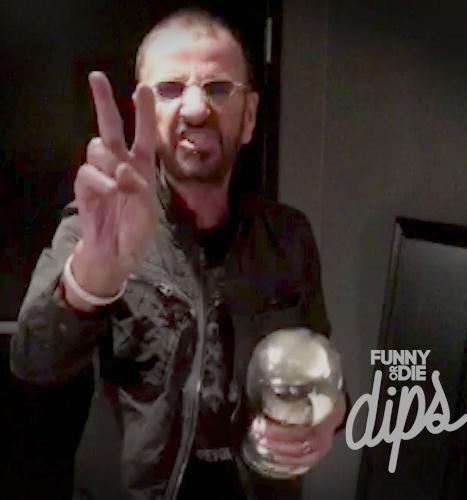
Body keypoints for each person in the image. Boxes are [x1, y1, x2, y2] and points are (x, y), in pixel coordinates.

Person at [10, 8, 346, 500]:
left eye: (218, 88)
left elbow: (321, 370)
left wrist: (329, 417)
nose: (194, 109)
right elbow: (32, 360)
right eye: (169, 89)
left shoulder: (288, 236)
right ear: (141, 115)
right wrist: (90, 283)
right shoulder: (97, 225)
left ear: (249, 116)